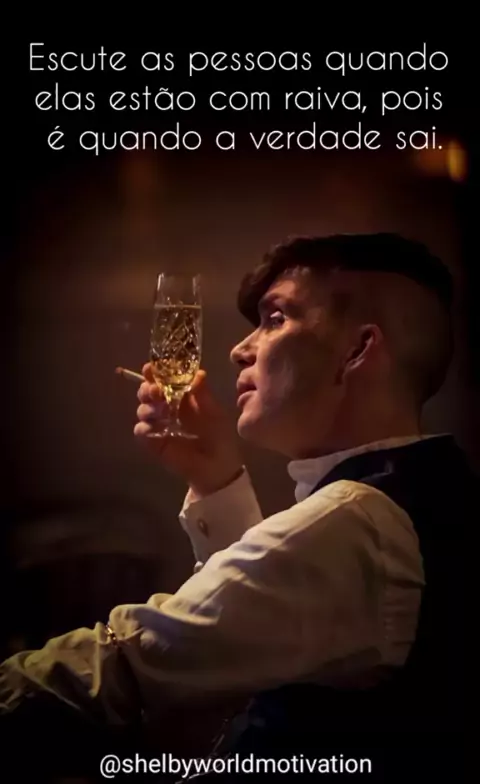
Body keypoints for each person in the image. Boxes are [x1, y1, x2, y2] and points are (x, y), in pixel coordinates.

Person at [0, 232, 476, 779]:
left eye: (275, 318)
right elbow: (267, 624)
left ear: (358, 350)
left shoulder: (356, 521)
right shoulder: (423, 498)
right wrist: (216, 479)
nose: (239, 349)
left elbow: (131, 665)